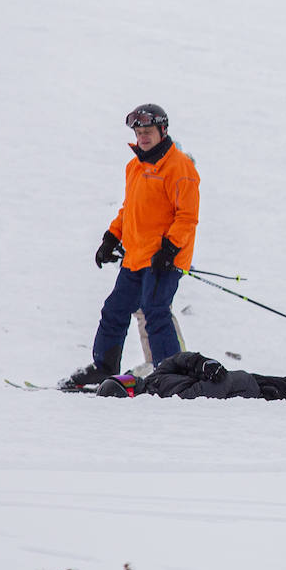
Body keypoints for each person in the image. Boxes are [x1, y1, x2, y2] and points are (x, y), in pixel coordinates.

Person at [59, 104, 200, 389]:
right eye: (138, 132)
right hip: (136, 256)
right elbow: (129, 209)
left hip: (164, 258)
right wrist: (111, 237)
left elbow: (187, 217)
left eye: (147, 131)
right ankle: (104, 368)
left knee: (155, 311)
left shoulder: (180, 167)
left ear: (163, 131)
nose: (142, 137)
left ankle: (170, 373)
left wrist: (170, 248)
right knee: (115, 309)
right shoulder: (134, 166)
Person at [95, 351, 286, 402]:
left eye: (126, 377)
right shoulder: (164, 399)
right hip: (250, 391)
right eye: (127, 385)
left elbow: (182, 359)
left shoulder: (157, 377)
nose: (132, 380)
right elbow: (205, 395)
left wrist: (206, 365)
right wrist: (210, 379)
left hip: (245, 380)